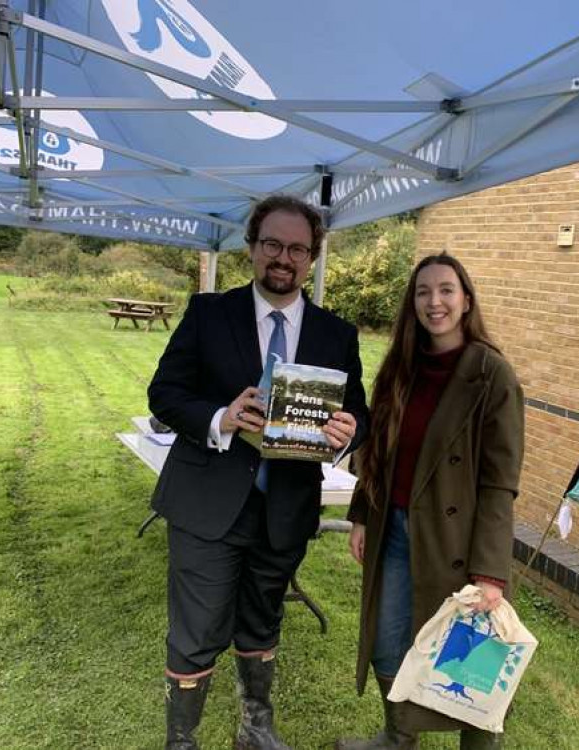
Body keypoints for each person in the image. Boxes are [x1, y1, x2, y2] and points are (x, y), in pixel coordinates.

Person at [148, 195, 369, 750]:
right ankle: (183, 740)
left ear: (312, 258)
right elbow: (165, 393)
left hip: (286, 507)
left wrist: (351, 432)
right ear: (252, 246)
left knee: (262, 619)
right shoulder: (208, 313)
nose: (283, 258)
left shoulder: (336, 333)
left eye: (297, 248)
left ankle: (256, 728)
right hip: (206, 502)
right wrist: (220, 416)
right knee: (196, 631)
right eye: (273, 244)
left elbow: (359, 411)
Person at [337, 253, 524, 750]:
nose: (434, 301)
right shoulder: (402, 366)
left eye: (445, 290)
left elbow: (499, 481)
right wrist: (360, 515)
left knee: (471, 663)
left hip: (456, 540)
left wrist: (490, 570)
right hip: (393, 530)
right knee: (386, 643)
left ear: (466, 301)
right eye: (423, 292)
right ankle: (398, 738)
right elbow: (378, 452)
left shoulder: (492, 374)